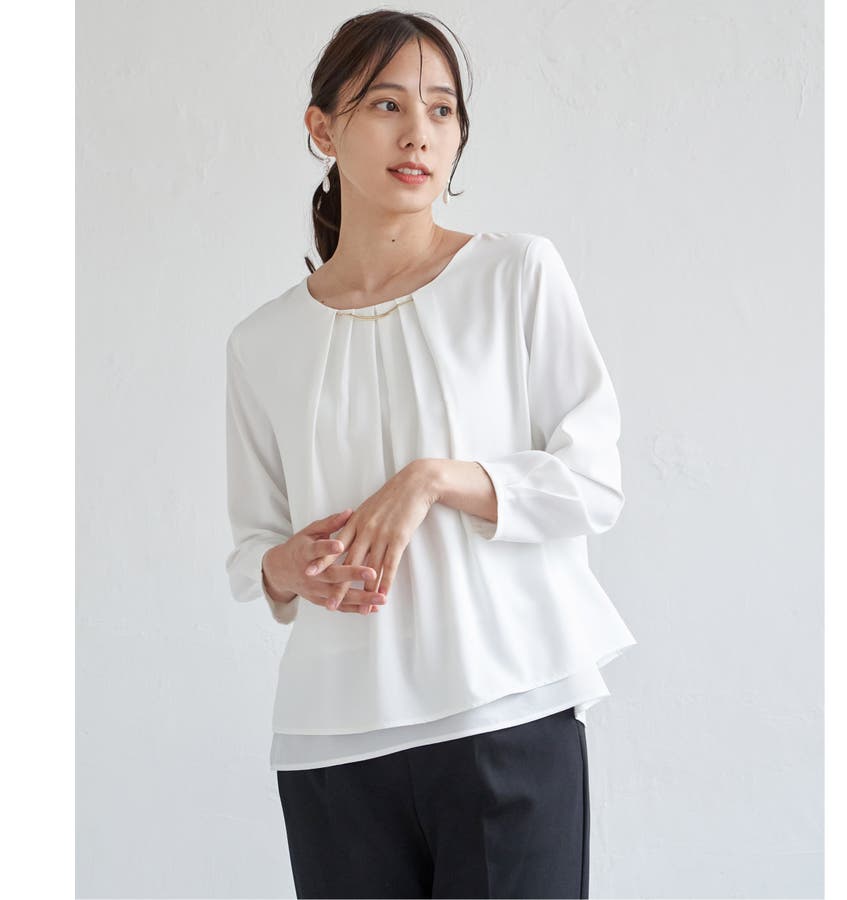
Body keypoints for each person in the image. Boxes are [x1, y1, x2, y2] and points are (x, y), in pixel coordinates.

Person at [224, 9, 637, 899]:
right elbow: (256, 543)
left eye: (442, 109)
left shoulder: (516, 274)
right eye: (387, 104)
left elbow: (593, 480)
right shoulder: (262, 343)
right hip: (332, 744)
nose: (420, 132)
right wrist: (284, 568)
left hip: (505, 713)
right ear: (322, 128)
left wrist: (436, 479)